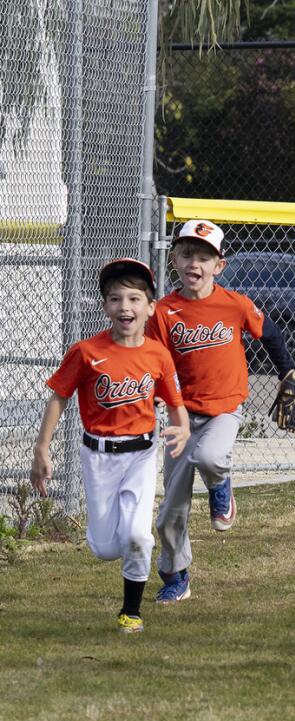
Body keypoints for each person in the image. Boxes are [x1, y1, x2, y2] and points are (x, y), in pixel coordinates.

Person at [147, 219, 295, 605]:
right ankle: (176, 575)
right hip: (181, 418)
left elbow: (270, 333)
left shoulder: (234, 304)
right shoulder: (165, 312)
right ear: (175, 260)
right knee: (171, 510)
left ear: (220, 265)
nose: (193, 263)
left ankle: (222, 490)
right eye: (186, 254)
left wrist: (288, 371)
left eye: (204, 257)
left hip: (224, 409)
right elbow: (152, 361)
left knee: (212, 455)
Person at [30, 259, 190, 633]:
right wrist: (42, 448)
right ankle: (131, 550)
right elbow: (58, 396)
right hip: (97, 456)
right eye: (115, 298)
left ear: (151, 307)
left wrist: (181, 428)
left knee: (137, 536)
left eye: (135, 298)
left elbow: (176, 405)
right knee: (104, 547)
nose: (125, 307)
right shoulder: (86, 351)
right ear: (104, 306)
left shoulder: (158, 355)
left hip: (141, 455)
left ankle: (131, 610)